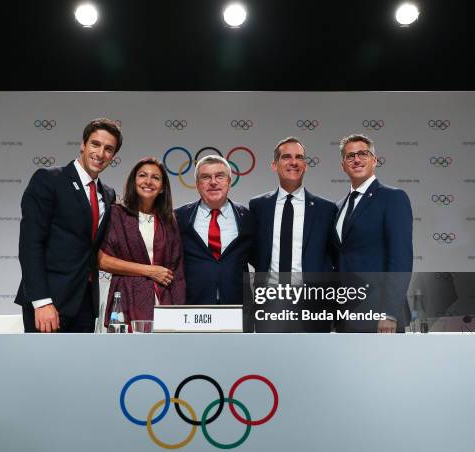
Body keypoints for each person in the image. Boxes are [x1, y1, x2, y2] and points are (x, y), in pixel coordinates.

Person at [14, 118, 122, 333]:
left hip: (85, 304)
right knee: (45, 366)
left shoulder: (108, 194)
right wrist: (42, 301)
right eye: (95, 144)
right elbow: (30, 244)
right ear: (83, 144)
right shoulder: (49, 180)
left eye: (108, 149)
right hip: (50, 301)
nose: (100, 153)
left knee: (80, 367)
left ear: (113, 156)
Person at [249, 137, 337, 332]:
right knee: (271, 361)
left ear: (305, 165)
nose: (293, 162)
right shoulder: (258, 206)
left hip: (313, 307)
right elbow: (254, 252)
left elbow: (334, 258)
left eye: (299, 157)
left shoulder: (326, 209)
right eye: (286, 157)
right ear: (274, 165)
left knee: (311, 362)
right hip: (270, 305)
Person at [333, 133, 413, 333]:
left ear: (374, 160)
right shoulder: (339, 207)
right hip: (346, 315)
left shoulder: (392, 198)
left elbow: (401, 259)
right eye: (350, 156)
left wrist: (389, 312)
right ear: (342, 165)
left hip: (380, 316)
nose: (357, 159)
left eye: (363, 154)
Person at [98, 157, 185, 325]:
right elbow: (102, 260)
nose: (148, 181)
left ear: (162, 188)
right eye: (142, 175)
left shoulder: (169, 221)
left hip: (164, 301)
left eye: (155, 177)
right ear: (134, 181)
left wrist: (178, 311)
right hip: (126, 299)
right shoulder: (116, 215)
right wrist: (150, 271)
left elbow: (177, 271)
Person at [175, 155, 253, 312]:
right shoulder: (178, 217)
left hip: (238, 308)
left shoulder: (248, 217)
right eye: (205, 177)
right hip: (192, 308)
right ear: (197, 184)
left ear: (229, 182)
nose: (213, 182)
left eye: (219, 176)